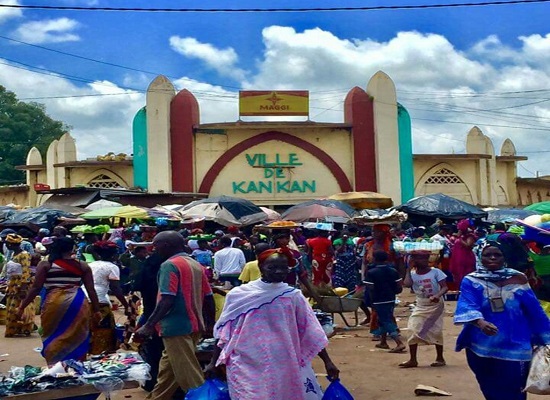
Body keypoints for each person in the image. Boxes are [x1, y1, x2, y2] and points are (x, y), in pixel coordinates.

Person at [205, 247, 340, 400]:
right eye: (272, 267)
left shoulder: (292, 296)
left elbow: (309, 330)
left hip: (283, 364)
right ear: (261, 267)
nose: (278, 272)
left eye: (283, 268)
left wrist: (328, 362)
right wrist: (212, 362)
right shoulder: (238, 295)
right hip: (245, 362)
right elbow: (224, 331)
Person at [454, 240, 550, 400]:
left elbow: (535, 311)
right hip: (481, 347)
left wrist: (546, 337)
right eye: (487, 255)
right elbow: (467, 305)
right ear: (479, 256)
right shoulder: (471, 281)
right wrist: (480, 322)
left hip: (516, 347)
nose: (492, 258)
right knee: (490, 389)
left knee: (515, 391)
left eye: (497, 254)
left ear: (504, 257)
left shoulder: (518, 279)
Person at [136, 231, 215, 400]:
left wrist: (149, 324)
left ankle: (203, 397)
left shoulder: (169, 265)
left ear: (166, 246)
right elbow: (209, 297)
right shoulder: (194, 264)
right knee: (168, 374)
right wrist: (210, 323)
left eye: (155, 245)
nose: (153, 249)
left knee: (189, 374)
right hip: (194, 325)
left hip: (175, 327)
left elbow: (167, 298)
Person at [16, 237, 101, 365]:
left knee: (53, 332)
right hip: (77, 302)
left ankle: (56, 364)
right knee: (78, 332)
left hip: (54, 302)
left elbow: (35, 288)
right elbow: (91, 290)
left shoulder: (46, 264)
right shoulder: (82, 265)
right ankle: (76, 364)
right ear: (72, 248)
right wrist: (97, 309)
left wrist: (22, 306)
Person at [400, 252, 448, 368]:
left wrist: (437, 295)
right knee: (412, 328)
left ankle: (440, 358)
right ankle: (413, 359)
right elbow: (407, 284)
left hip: (436, 305)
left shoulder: (436, 272)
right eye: (418, 258)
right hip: (421, 304)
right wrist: (408, 269)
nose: (423, 260)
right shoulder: (412, 274)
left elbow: (445, 287)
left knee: (436, 329)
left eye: (424, 258)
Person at [86, 240, 130, 355]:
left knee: (86, 328)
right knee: (104, 330)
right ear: (114, 255)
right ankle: (99, 354)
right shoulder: (112, 267)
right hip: (100, 301)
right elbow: (115, 288)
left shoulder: (90, 265)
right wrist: (126, 305)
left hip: (84, 299)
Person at [365, 251, 405, 353]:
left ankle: (399, 343)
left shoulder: (371, 272)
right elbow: (399, 287)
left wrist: (371, 301)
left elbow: (370, 289)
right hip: (391, 298)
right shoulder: (393, 271)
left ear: (374, 259)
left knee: (385, 320)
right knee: (383, 319)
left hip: (378, 299)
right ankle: (383, 342)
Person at [4, 234, 35, 337]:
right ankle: (15, 329)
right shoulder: (14, 255)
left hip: (20, 285)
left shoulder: (24, 255)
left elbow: (26, 271)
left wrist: (23, 288)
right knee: (11, 307)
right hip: (12, 284)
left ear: (10, 244)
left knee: (20, 307)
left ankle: (25, 328)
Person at [449, 219, 476, 287]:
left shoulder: (470, 236)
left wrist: (459, 238)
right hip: (457, 259)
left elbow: (468, 245)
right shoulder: (460, 236)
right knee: (457, 276)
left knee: (465, 276)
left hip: (465, 259)